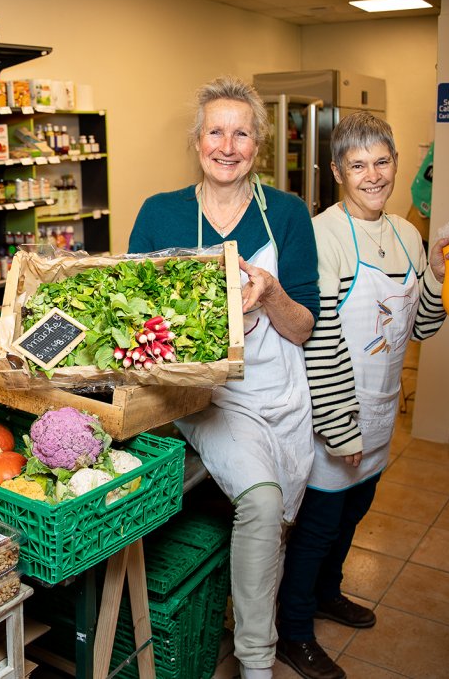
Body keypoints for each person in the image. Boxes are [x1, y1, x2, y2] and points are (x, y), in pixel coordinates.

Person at [127, 75, 320, 679]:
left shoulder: (287, 214)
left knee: (279, 518)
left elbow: (305, 327)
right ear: (197, 140)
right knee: (261, 505)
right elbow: (131, 313)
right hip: (207, 396)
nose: (227, 145)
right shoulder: (161, 214)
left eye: (241, 133)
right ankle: (256, 663)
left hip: (278, 387)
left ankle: (251, 617)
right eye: (216, 131)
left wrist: (271, 295)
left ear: (258, 145)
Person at [276, 113, 448, 679]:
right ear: (336, 172)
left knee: (354, 514)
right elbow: (321, 343)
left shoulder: (406, 233)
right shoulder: (323, 235)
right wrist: (341, 427)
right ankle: (293, 631)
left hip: (379, 410)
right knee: (320, 523)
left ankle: (329, 593)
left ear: (396, 163)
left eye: (382, 162)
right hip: (338, 414)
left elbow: (418, 328)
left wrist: (439, 274)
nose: (372, 175)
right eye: (357, 165)